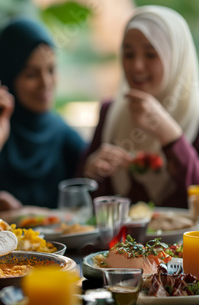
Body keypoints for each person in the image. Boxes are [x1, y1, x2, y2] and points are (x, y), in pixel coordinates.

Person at [0, 18, 86, 209]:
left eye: (51, 70)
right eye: (31, 74)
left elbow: (93, 186)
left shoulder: (60, 133)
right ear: (7, 78)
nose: (46, 83)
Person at [80, 5, 199, 208]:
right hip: (120, 240)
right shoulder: (111, 112)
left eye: (151, 54)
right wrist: (93, 172)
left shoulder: (195, 116)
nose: (136, 66)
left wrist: (168, 134)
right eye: (128, 54)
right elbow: (84, 208)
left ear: (177, 58)